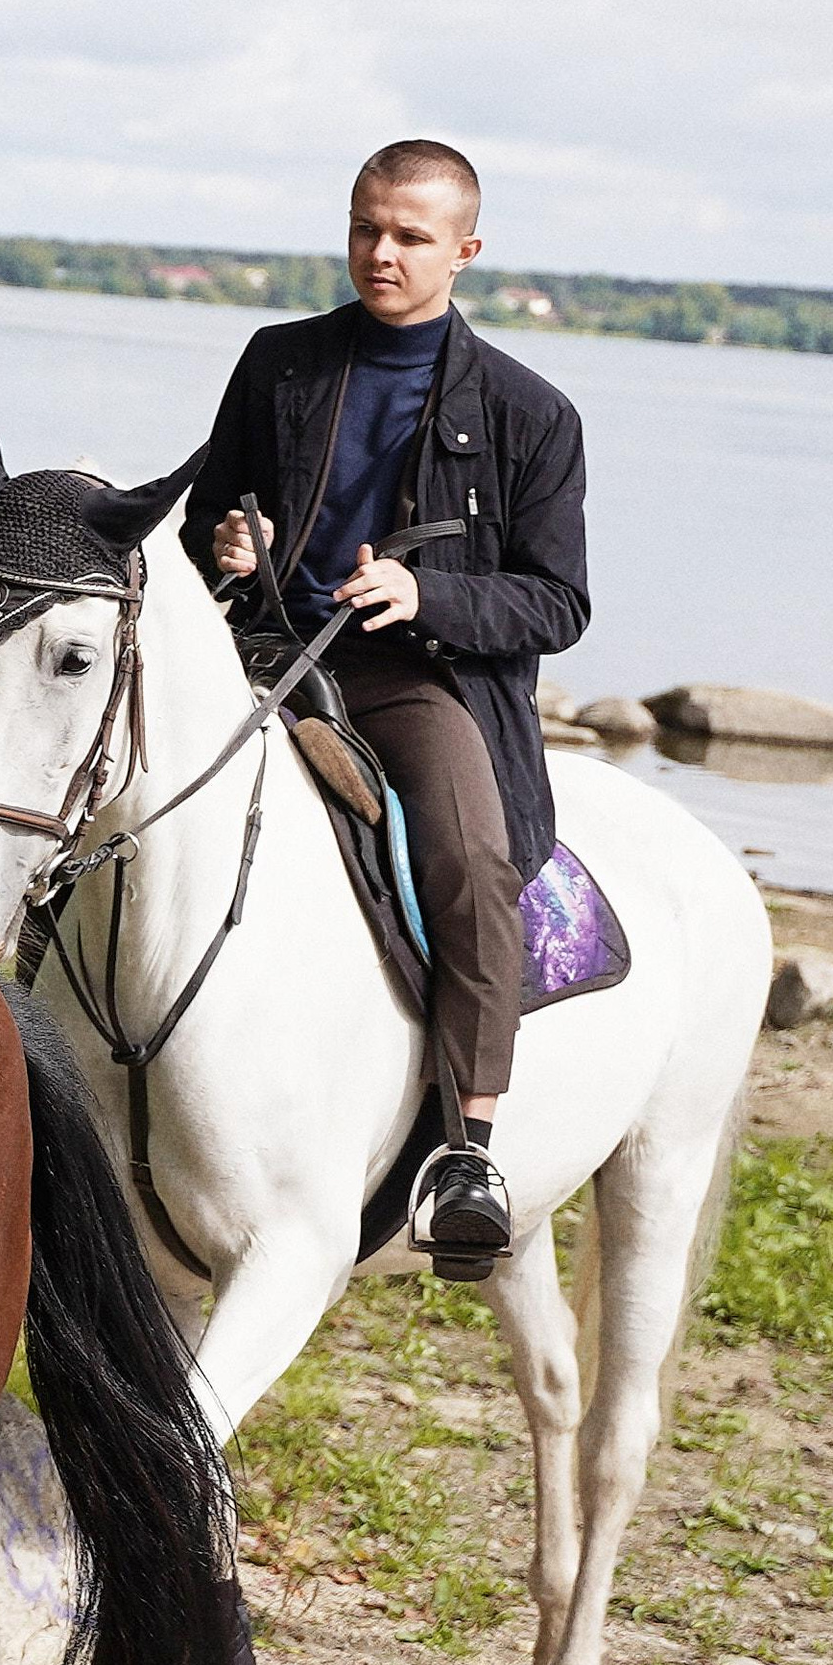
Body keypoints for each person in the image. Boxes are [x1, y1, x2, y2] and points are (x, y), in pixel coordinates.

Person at [180, 139, 588, 1267]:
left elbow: (556, 603)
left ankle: (466, 1143)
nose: (381, 252)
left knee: (465, 855)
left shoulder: (530, 412)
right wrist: (227, 547)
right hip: (261, 649)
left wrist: (426, 592)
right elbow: (206, 518)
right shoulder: (279, 362)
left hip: (412, 673)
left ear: (466, 249)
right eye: (366, 227)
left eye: (409, 235)